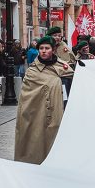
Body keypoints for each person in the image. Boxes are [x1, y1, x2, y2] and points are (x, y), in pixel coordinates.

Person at [14, 35, 74, 164]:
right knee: (37, 140)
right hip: (37, 114)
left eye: (47, 48)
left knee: (57, 141)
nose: (44, 51)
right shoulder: (32, 71)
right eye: (41, 48)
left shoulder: (64, 67)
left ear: (53, 50)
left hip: (59, 112)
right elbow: (27, 98)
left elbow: (73, 86)